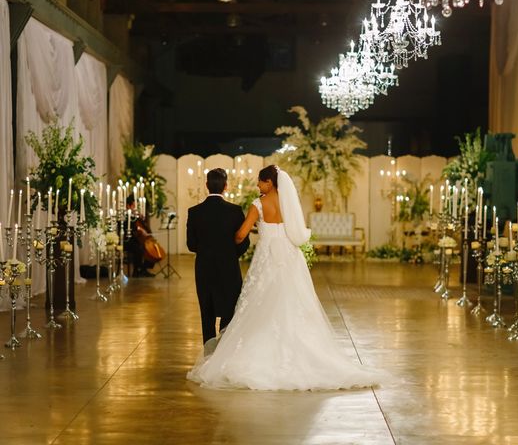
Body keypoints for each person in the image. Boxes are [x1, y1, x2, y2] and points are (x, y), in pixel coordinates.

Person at [187, 165, 383, 390]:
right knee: (292, 301)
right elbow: (294, 229)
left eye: (260, 182)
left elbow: (241, 234)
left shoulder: (258, 204)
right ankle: (298, 353)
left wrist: (226, 242)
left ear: (269, 183)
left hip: (268, 256)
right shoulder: (289, 203)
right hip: (290, 257)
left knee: (261, 302)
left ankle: (251, 353)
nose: (258, 186)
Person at [187, 168, 250, 345]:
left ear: (206, 185)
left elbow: (191, 245)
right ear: (226, 186)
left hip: (204, 269)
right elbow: (244, 243)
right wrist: (230, 254)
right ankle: (223, 352)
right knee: (229, 310)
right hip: (229, 268)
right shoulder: (235, 211)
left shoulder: (194, 212)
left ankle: (207, 354)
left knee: (206, 313)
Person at [124, 195, 155, 277]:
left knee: (150, 247)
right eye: (133, 206)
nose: (135, 208)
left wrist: (141, 220)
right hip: (127, 240)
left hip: (136, 239)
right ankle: (137, 270)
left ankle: (143, 269)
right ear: (128, 206)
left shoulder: (135, 216)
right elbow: (130, 229)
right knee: (138, 248)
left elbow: (142, 227)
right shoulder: (125, 215)